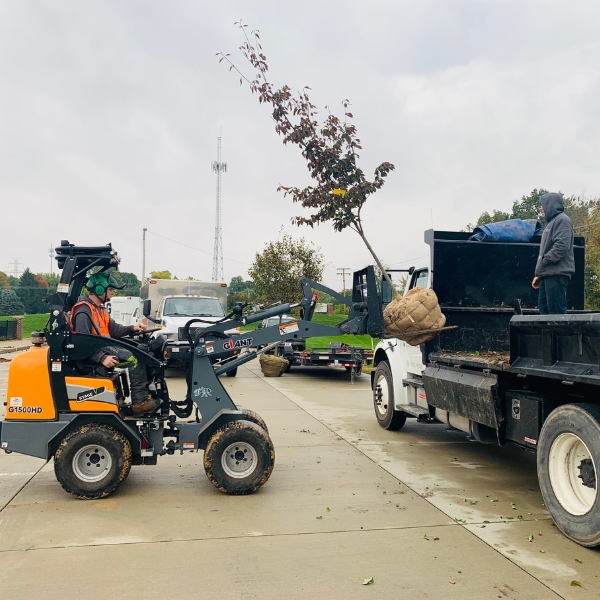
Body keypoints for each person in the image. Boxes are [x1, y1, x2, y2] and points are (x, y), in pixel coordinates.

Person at [69, 272, 161, 415]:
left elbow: (114, 329)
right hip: (96, 354)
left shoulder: (99, 309)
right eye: (110, 289)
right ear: (100, 289)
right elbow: (82, 342)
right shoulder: (83, 311)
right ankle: (139, 402)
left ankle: (147, 394)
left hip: (104, 347)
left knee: (143, 350)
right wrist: (102, 358)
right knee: (135, 358)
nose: (112, 292)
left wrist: (133, 328)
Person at [531, 192, 575, 314]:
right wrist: (540, 274)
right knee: (545, 312)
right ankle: (549, 334)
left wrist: (544, 263)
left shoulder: (562, 220)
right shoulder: (552, 222)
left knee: (556, 314)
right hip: (548, 274)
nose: (541, 208)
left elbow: (561, 247)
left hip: (556, 274)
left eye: (543, 205)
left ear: (551, 205)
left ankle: (561, 334)